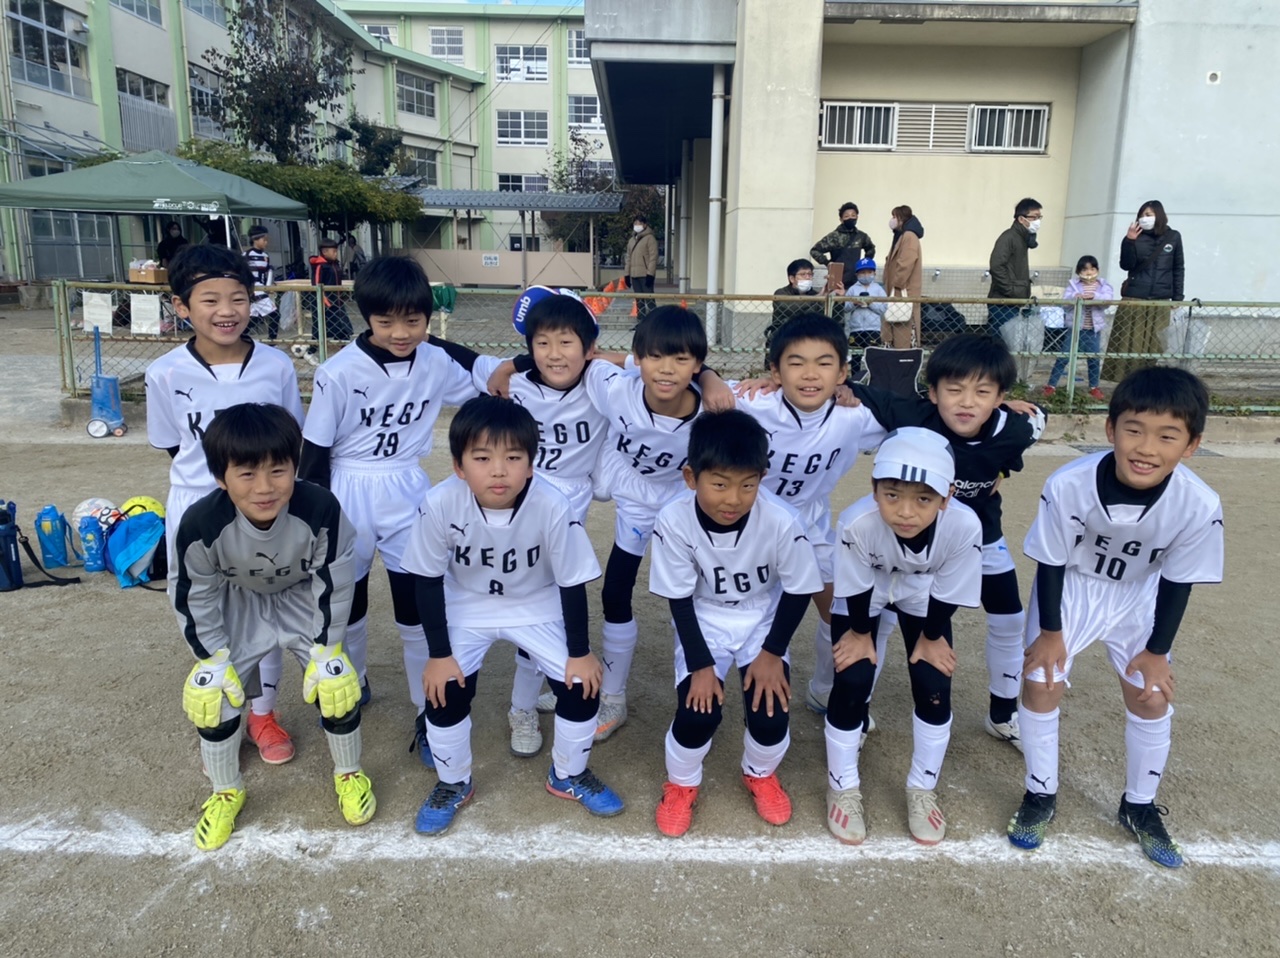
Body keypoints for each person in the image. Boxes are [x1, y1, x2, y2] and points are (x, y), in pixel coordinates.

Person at [1008, 367, 1222, 868]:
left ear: (1191, 445)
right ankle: (1040, 792)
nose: (1146, 448)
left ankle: (1139, 805)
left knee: (1152, 695)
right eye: (1134, 430)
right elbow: (1051, 562)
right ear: (1110, 430)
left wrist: (1157, 651)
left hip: (1140, 594)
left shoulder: (1198, 503)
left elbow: (1178, 581)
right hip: (1074, 586)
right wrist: (1051, 632)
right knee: (1041, 681)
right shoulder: (1069, 484)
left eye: (1167, 436)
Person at [402, 396, 625, 835]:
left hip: (535, 601)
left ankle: (568, 774)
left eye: (513, 457)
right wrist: (439, 655)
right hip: (467, 602)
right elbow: (426, 581)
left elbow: (571, 582)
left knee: (582, 685)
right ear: (459, 466)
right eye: (483, 458)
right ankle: (454, 782)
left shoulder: (552, 503)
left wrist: (580, 652)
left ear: (531, 465)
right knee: (443, 690)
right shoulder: (439, 502)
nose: (499, 471)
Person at [297, 255, 480, 754]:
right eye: (386, 321)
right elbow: (314, 453)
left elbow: (484, 379)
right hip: (347, 487)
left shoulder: (434, 362)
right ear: (367, 318)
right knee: (347, 597)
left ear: (428, 318)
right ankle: (353, 679)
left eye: (413, 321)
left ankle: (427, 709)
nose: (401, 333)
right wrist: (313, 518)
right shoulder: (338, 372)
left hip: (406, 486)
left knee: (416, 601)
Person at [173, 403, 373, 850]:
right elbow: (192, 593)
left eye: (278, 470)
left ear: (295, 467)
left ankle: (349, 773)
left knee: (336, 683)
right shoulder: (201, 522)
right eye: (246, 474)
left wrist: (327, 649)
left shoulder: (320, 506)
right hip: (240, 601)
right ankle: (226, 791)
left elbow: (335, 580)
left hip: (302, 598)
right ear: (220, 477)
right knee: (212, 693)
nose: (264, 487)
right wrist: (210, 657)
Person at [145, 244, 304, 767]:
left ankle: (263, 714)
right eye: (209, 300)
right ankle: (223, 703)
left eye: (238, 298)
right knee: (203, 609)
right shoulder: (165, 373)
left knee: (267, 605)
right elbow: (174, 445)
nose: (226, 311)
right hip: (198, 505)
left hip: (262, 505)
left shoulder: (276, 366)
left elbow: (290, 440)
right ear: (181, 306)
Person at [850, 335, 1045, 751]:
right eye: (954, 390)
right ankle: (857, 710)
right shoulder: (914, 414)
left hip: (980, 535)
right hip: (910, 537)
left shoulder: (1015, 428)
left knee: (1010, 619)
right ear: (933, 392)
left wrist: (1002, 473)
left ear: (1000, 398)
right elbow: (854, 390)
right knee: (882, 616)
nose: (967, 402)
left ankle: (1003, 713)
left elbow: (1030, 428)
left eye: (982, 392)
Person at [649, 410, 824, 836]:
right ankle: (681, 784)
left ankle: (759, 773)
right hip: (704, 616)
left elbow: (799, 590)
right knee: (698, 713)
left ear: (762, 477)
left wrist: (772, 653)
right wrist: (700, 665)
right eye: (720, 484)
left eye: (748, 485)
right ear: (691, 477)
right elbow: (678, 597)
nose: (733, 499)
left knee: (770, 713)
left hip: (760, 617)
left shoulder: (782, 519)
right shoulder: (673, 518)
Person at [825, 427, 982, 845]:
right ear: (874, 488)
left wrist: (931, 637)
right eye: (892, 495)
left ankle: (922, 787)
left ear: (947, 497)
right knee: (852, 677)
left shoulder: (964, 524)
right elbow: (856, 586)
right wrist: (861, 633)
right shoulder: (857, 521)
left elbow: (950, 589)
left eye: (924, 499)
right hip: (867, 590)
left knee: (934, 683)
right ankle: (842, 785)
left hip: (923, 590)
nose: (906, 512)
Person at [734, 315, 886, 726]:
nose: (810, 374)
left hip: (809, 524)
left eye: (824, 363)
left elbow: (930, 415)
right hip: (749, 525)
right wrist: (714, 381)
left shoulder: (854, 416)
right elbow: (684, 382)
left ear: (842, 372)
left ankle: (824, 688)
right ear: (775, 371)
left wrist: (1000, 410)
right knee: (748, 611)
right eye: (796, 362)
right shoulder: (752, 403)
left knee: (840, 607)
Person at [590, 306, 734, 741]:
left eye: (681, 359)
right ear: (638, 359)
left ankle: (699, 686)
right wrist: (509, 367)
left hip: (682, 499)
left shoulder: (716, 408)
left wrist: (713, 380)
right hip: (634, 494)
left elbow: (780, 394)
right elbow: (577, 360)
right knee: (615, 591)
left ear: (697, 364)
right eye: (654, 357)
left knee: (692, 594)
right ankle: (613, 697)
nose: (667, 369)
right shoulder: (617, 390)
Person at [1103, 200, 1186, 382]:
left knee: (1155, 344)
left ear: (1159, 216)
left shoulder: (1173, 236)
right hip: (1135, 296)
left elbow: (1178, 268)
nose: (1144, 218)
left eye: (1148, 214)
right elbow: (1126, 265)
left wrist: (1177, 297)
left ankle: (1150, 382)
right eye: (1142, 215)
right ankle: (1127, 381)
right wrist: (1129, 241)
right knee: (1130, 343)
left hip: (1160, 299)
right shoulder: (1135, 237)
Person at [1045, 255, 1113, 400]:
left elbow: (1107, 301)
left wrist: (1094, 297)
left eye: (1092, 269)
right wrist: (1075, 297)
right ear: (1078, 272)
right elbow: (1065, 303)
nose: (1089, 272)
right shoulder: (1073, 286)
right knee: (1064, 357)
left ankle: (1094, 387)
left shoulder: (1103, 285)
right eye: (1085, 270)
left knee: (1093, 358)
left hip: (1093, 330)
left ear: (1097, 270)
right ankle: (1051, 386)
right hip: (1075, 329)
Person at [987, 198, 1042, 338]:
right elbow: (996, 266)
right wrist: (1011, 290)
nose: (1038, 221)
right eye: (1034, 217)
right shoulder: (1009, 237)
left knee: (1010, 342)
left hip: (1013, 301)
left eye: (1039, 217)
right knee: (1002, 343)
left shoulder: (1021, 238)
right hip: (1003, 302)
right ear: (1021, 219)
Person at [297, 236, 353, 365]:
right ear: (324, 252)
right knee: (320, 330)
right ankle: (310, 352)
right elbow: (317, 285)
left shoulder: (335, 264)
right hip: (323, 303)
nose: (335, 254)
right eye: (333, 251)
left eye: (336, 251)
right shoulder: (320, 266)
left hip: (337, 301)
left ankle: (345, 353)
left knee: (343, 328)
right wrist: (326, 303)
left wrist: (341, 297)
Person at [764, 259, 823, 364]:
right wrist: (816, 298)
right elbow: (790, 308)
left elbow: (827, 316)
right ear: (792, 278)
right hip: (783, 339)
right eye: (803, 274)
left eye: (810, 274)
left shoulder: (815, 295)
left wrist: (838, 298)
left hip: (808, 342)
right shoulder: (781, 293)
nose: (807, 277)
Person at [883, 206, 923, 349]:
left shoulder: (909, 236)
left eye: (894, 217)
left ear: (901, 218)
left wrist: (897, 283)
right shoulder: (901, 235)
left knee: (903, 334)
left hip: (903, 292)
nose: (892, 220)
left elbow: (906, 262)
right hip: (897, 292)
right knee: (896, 331)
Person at [844, 257, 888, 380]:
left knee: (874, 355)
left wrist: (870, 303)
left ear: (874, 273)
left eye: (869, 272)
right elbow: (845, 308)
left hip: (873, 328)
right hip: (856, 329)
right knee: (855, 356)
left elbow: (883, 309)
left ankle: (874, 379)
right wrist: (854, 303)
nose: (866, 275)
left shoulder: (878, 289)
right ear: (857, 274)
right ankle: (855, 379)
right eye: (862, 272)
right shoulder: (853, 289)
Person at [809, 202, 876, 281]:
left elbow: (871, 248)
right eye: (846, 216)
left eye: (853, 215)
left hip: (856, 278)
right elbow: (814, 251)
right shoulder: (833, 237)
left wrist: (864, 264)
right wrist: (827, 263)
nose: (850, 218)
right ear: (841, 219)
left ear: (857, 217)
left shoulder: (861, 236)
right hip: (837, 277)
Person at [244, 225, 280, 341]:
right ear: (255, 239)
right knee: (274, 314)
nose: (266, 242)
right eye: (264, 240)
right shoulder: (246, 256)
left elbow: (267, 273)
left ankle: (239, 338)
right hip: (254, 290)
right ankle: (272, 341)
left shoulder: (265, 256)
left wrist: (269, 285)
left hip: (263, 289)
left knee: (253, 319)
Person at [625, 214, 659, 319]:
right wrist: (627, 274)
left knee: (649, 299)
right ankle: (641, 320)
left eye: (639, 223)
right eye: (635, 223)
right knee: (639, 300)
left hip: (645, 274)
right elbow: (628, 258)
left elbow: (653, 257)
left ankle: (654, 320)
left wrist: (650, 274)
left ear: (644, 225)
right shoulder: (631, 240)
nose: (637, 225)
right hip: (634, 275)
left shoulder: (650, 239)